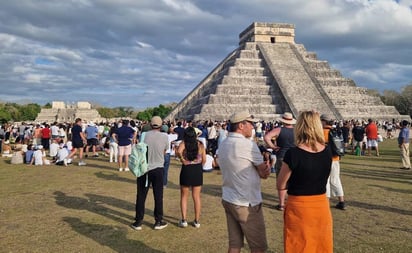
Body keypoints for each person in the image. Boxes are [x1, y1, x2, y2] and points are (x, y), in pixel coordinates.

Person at [277, 111, 333, 253]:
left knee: (299, 246)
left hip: (299, 207)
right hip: (321, 205)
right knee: (320, 246)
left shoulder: (293, 154)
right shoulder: (327, 151)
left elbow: (280, 185)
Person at [218, 110, 270, 253]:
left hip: (229, 198)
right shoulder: (248, 145)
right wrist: (267, 169)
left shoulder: (223, 144)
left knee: (234, 245)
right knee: (258, 247)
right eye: (250, 124)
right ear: (241, 125)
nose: (253, 127)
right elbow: (264, 174)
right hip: (247, 203)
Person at [131, 116, 169, 231]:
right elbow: (164, 152)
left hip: (144, 168)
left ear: (150, 124)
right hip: (158, 168)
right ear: (161, 125)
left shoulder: (144, 135)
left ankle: (138, 221)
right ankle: (158, 220)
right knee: (158, 196)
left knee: (141, 195)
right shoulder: (164, 136)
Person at [263, 112, 296, 211]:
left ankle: (281, 204)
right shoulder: (296, 131)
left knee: (282, 180)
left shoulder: (279, 130)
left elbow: (266, 137)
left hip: (282, 156)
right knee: (293, 180)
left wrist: (273, 147)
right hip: (295, 157)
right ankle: (291, 202)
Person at [176, 127, 206, 228]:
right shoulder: (200, 145)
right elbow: (204, 160)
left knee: (184, 196)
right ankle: (197, 221)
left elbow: (178, 151)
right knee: (196, 197)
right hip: (197, 170)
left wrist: (182, 159)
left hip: (186, 169)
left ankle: (184, 220)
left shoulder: (183, 143)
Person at [321, 114, 346, 210]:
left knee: (325, 180)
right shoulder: (336, 131)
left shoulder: (322, 132)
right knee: (336, 179)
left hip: (325, 159)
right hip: (336, 159)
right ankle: (342, 201)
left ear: (324, 121)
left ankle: (326, 202)